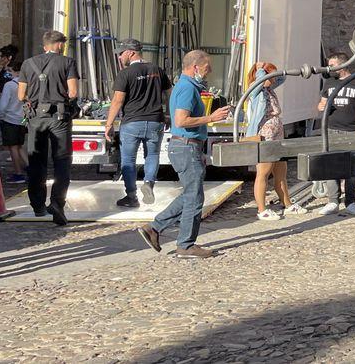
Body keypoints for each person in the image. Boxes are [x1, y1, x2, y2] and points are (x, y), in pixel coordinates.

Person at [137, 50, 229, 258]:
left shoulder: (187, 86)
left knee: (190, 194)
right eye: (207, 68)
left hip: (188, 146)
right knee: (195, 198)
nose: (209, 71)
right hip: (186, 146)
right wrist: (211, 118)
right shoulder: (187, 88)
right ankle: (186, 245)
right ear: (195, 67)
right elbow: (181, 121)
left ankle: (155, 228)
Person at [17, 30, 80, 226]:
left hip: (35, 117)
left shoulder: (28, 63)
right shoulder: (67, 62)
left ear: (45, 45)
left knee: (36, 161)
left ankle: (37, 205)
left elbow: (21, 95)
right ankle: (57, 203)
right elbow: (73, 92)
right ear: (59, 44)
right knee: (62, 161)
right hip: (59, 117)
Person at [104, 39, 168, 208]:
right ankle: (148, 183)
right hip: (155, 121)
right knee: (153, 155)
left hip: (132, 122)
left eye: (121, 53)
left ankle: (131, 196)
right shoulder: (157, 70)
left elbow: (118, 100)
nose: (119, 57)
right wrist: (168, 114)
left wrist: (109, 124)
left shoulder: (125, 74)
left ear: (131, 52)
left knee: (128, 160)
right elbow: (170, 93)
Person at [245, 62, 303, 220]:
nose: (274, 78)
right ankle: (262, 209)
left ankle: (287, 204)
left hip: (277, 131)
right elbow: (258, 84)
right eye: (272, 75)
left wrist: (276, 73)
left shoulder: (269, 89)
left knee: (281, 171)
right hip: (266, 133)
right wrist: (261, 70)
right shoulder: (255, 90)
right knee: (263, 172)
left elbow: (282, 80)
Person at [315, 52, 355, 216]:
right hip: (331, 130)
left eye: (332, 65)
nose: (329, 68)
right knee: (331, 166)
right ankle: (333, 202)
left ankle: (351, 202)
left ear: (343, 65)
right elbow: (321, 105)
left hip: (352, 130)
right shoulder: (329, 83)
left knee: (351, 169)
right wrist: (322, 107)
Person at [0, 64, 27, 184]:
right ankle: (29, 167)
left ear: (15, 71)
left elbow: (3, 105)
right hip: (22, 119)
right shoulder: (27, 84)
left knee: (13, 147)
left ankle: (18, 173)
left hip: (10, 119)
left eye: (10, 70)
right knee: (19, 145)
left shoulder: (9, 85)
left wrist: (0, 116)